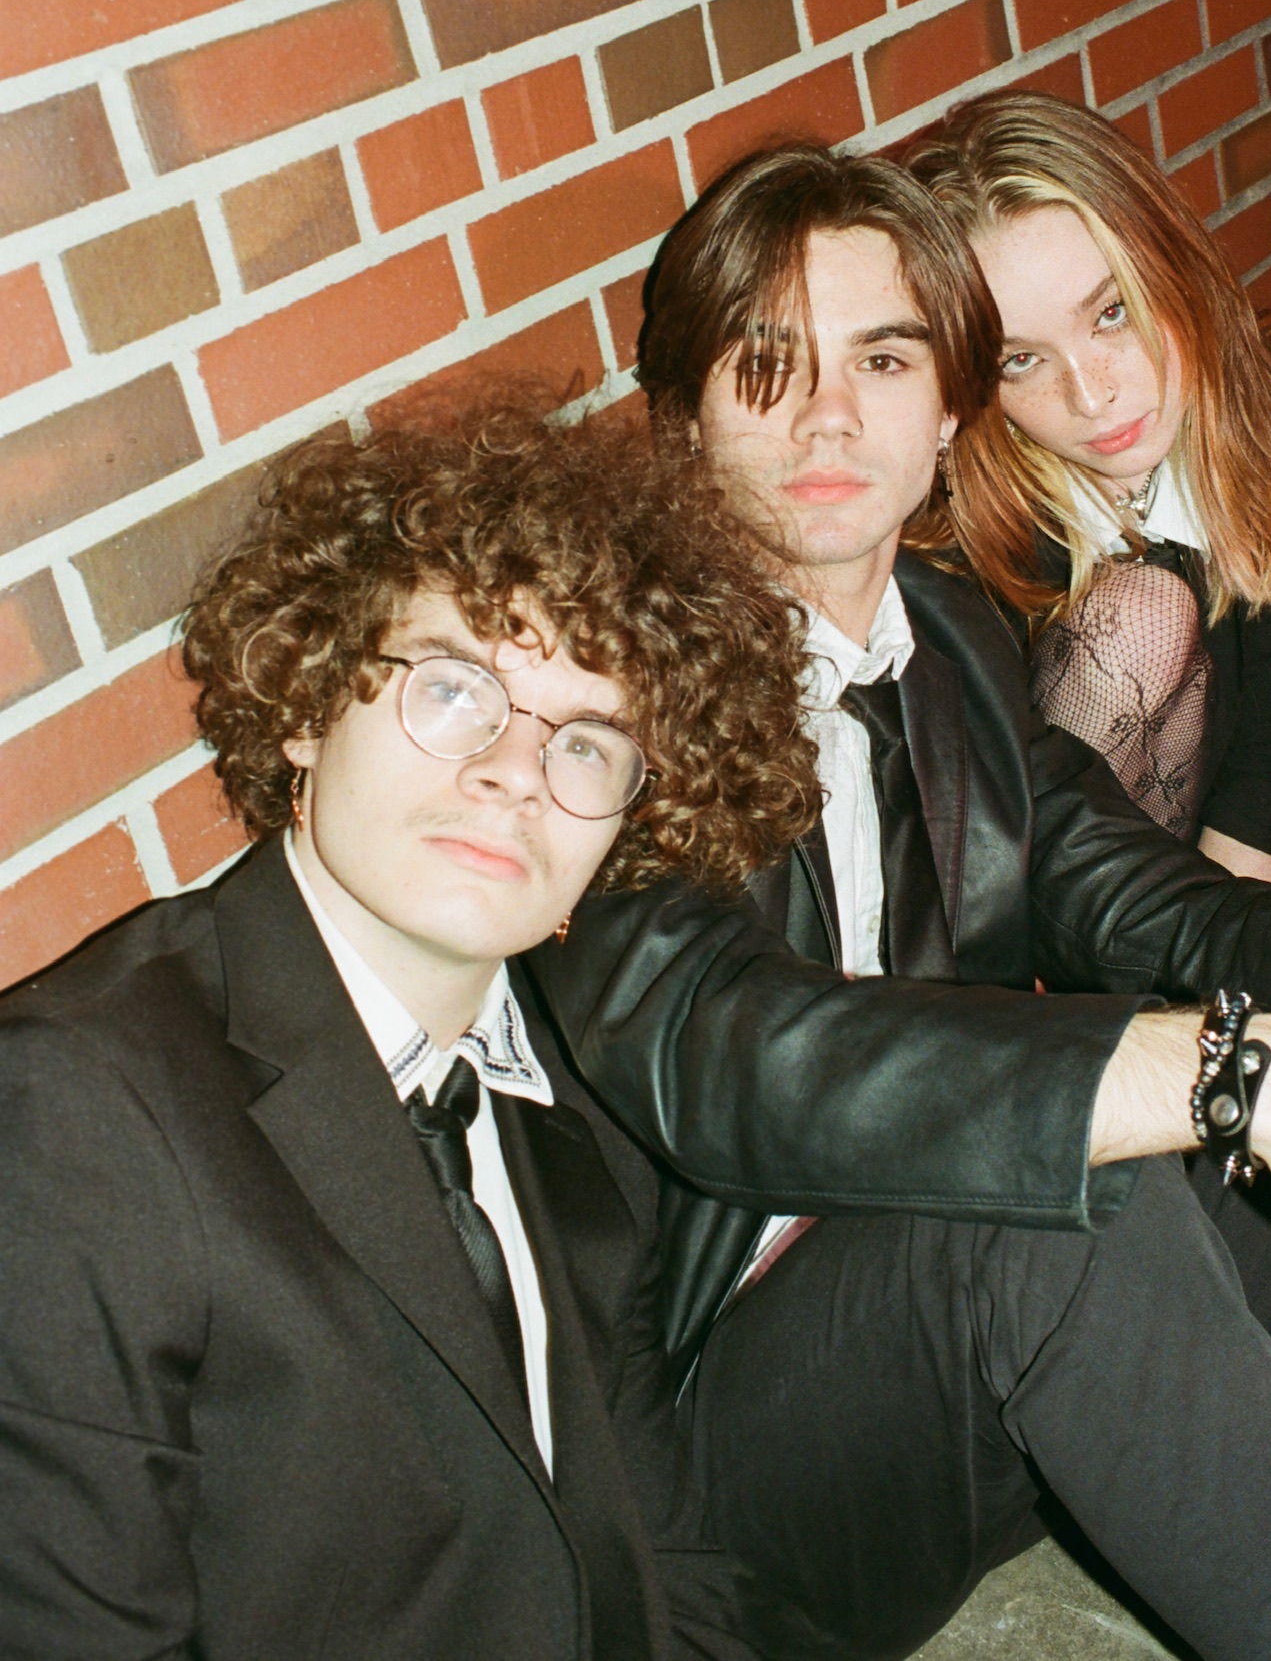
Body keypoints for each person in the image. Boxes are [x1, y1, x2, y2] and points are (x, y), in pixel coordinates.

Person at [527, 142, 1271, 1661]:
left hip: (1018, 1376)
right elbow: (734, 1053)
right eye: (766, 366)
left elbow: (1140, 897)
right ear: (683, 422)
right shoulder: (593, 708)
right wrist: (1237, 1072)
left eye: (882, 359)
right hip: (739, 1480)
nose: (827, 416)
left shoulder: (940, 636)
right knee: (1041, 1201)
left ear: (949, 407)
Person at [0, 397, 823, 1661]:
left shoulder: (582, 1101)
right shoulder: (78, 1113)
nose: (515, 771)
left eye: (589, 743)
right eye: (454, 688)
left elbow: (661, 1561)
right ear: (309, 703)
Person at [903, 87, 1271, 892]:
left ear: (1173, 266)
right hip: (1060, 908)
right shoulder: (958, 528)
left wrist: (1241, 950)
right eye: (1019, 360)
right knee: (1138, 617)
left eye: (1112, 314)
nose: (1092, 396)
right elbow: (987, 841)